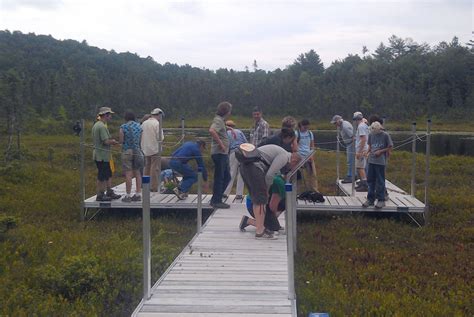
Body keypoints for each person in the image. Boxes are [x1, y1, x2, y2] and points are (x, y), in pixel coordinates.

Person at [237, 143, 301, 239]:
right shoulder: (284, 157)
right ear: (294, 160)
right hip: (255, 168)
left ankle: (260, 228)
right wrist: (266, 190)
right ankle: (260, 231)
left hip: (245, 167)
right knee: (261, 200)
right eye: (295, 166)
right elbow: (269, 175)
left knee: (256, 199)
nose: (292, 169)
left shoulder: (280, 151)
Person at [91, 107, 121, 201]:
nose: (110, 116)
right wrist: (114, 141)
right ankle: (100, 194)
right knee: (102, 176)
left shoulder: (97, 125)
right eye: (109, 115)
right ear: (105, 115)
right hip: (102, 156)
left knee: (107, 174)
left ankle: (109, 191)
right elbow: (106, 141)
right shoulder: (102, 126)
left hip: (102, 155)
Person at [362, 120, 393, 209]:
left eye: (375, 130)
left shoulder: (385, 135)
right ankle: (370, 199)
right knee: (370, 180)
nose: (373, 132)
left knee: (380, 181)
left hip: (380, 162)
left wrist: (381, 151)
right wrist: (367, 152)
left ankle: (381, 200)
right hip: (371, 161)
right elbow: (370, 146)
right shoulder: (371, 134)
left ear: (379, 129)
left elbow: (390, 147)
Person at [209, 101, 232, 208]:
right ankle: (216, 201)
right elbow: (212, 130)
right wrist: (221, 144)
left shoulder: (221, 121)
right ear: (226, 111)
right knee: (220, 177)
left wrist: (228, 128)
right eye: (229, 111)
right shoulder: (218, 120)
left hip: (223, 154)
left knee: (227, 177)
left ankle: (217, 197)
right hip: (219, 153)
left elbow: (219, 129)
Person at [119, 111, 143, 202]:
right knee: (138, 173)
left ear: (126, 118)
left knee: (128, 173)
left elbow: (121, 141)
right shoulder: (139, 127)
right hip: (137, 151)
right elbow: (140, 140)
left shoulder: (123, 127)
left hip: (127, 151)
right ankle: (137, 194)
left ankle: (128, 195)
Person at [141, 107, 164, 192]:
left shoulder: (144, 123)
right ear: (159, 115)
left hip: (145, 148)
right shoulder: (157, 124)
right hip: (155, 148)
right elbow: (160, 137)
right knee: (155, 167)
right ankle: (154, 186)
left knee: (147, 166)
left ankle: (145, 185)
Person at [223, 120, 247, 200]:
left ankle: (225, 192)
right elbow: (246, 142)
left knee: (231, 172)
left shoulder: (226, 133)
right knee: (241, 173)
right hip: (242, 152)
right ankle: (239, 194)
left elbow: (227, 145)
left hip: (233, 152)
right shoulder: (239, 132)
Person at [331, 114, 354, 183]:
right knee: (350, 161)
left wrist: (352, 146)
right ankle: (352, 175)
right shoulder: (342, 125)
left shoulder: (345, 126)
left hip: (351, 144)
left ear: (339, 121)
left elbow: (353, 136)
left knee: (350, 161)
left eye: (335, 123)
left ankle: (351, 176)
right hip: (349, 144)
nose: (335, 125)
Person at [296, 119, 318, 191]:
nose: (306, 129)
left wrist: (311, 155)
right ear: (300, 126)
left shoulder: (310, 133)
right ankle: (297, 191)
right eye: (304, 127)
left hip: (309, 156)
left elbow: (312, 145)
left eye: (307, 127)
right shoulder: (297, 133)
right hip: (300, 156)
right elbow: (295, 146)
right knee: (298, 175)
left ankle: (313, 190)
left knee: (312, 175)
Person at [353, 111, 369, 192]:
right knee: (360, 167)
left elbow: (363, 139)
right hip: (363, 148)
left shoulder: (361, 126)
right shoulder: (364, 125)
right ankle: (362, 183)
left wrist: (359, 151)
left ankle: (365, 185)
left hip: (362, 149)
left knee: (360, 167)